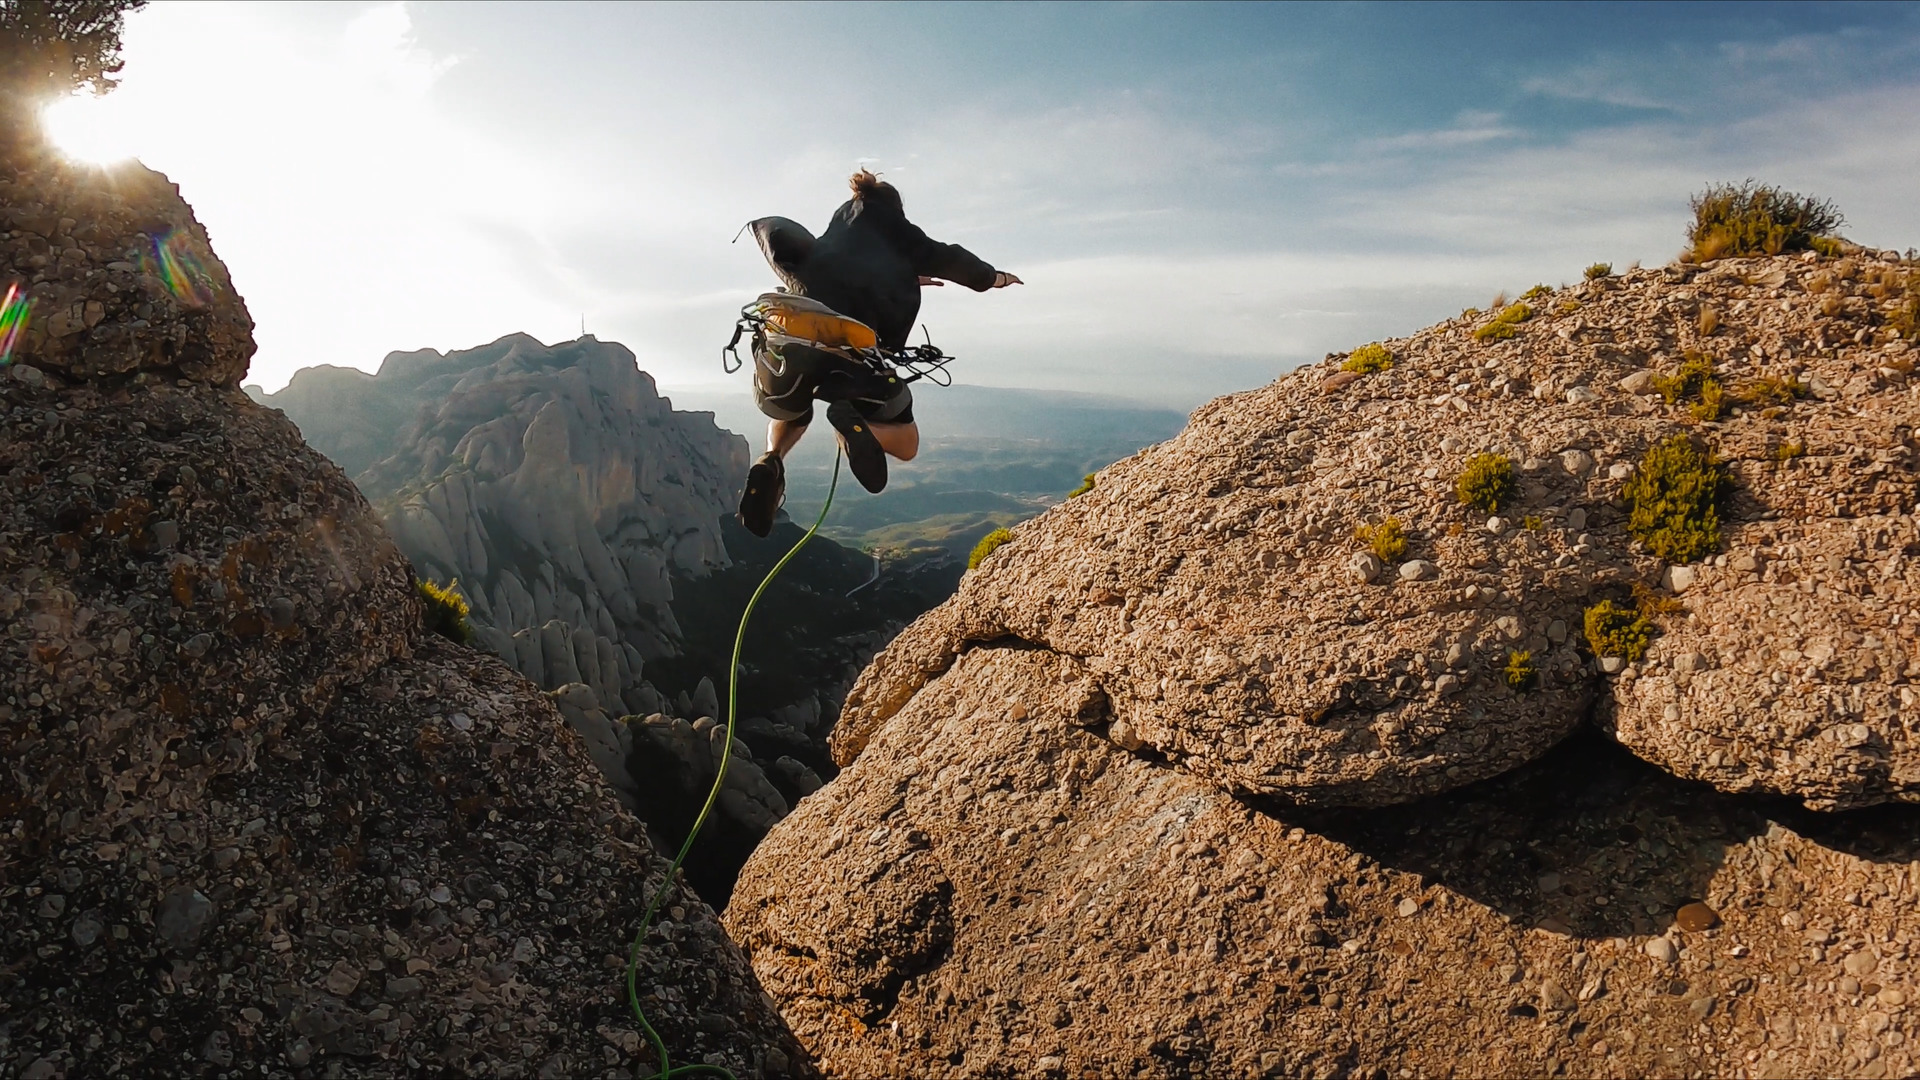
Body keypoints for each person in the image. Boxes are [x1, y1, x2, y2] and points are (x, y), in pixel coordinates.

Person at [736, 169, 1021, 537]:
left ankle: (772, 458)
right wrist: (995, 278)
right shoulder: (901, 233)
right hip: (855, 355)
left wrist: (900, 273)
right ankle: (863, 427)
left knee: (794, 411)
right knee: (907, 442)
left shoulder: (827, 241)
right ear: (896, 210)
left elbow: (852, 268)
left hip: (794, 342)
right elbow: (954, 260)